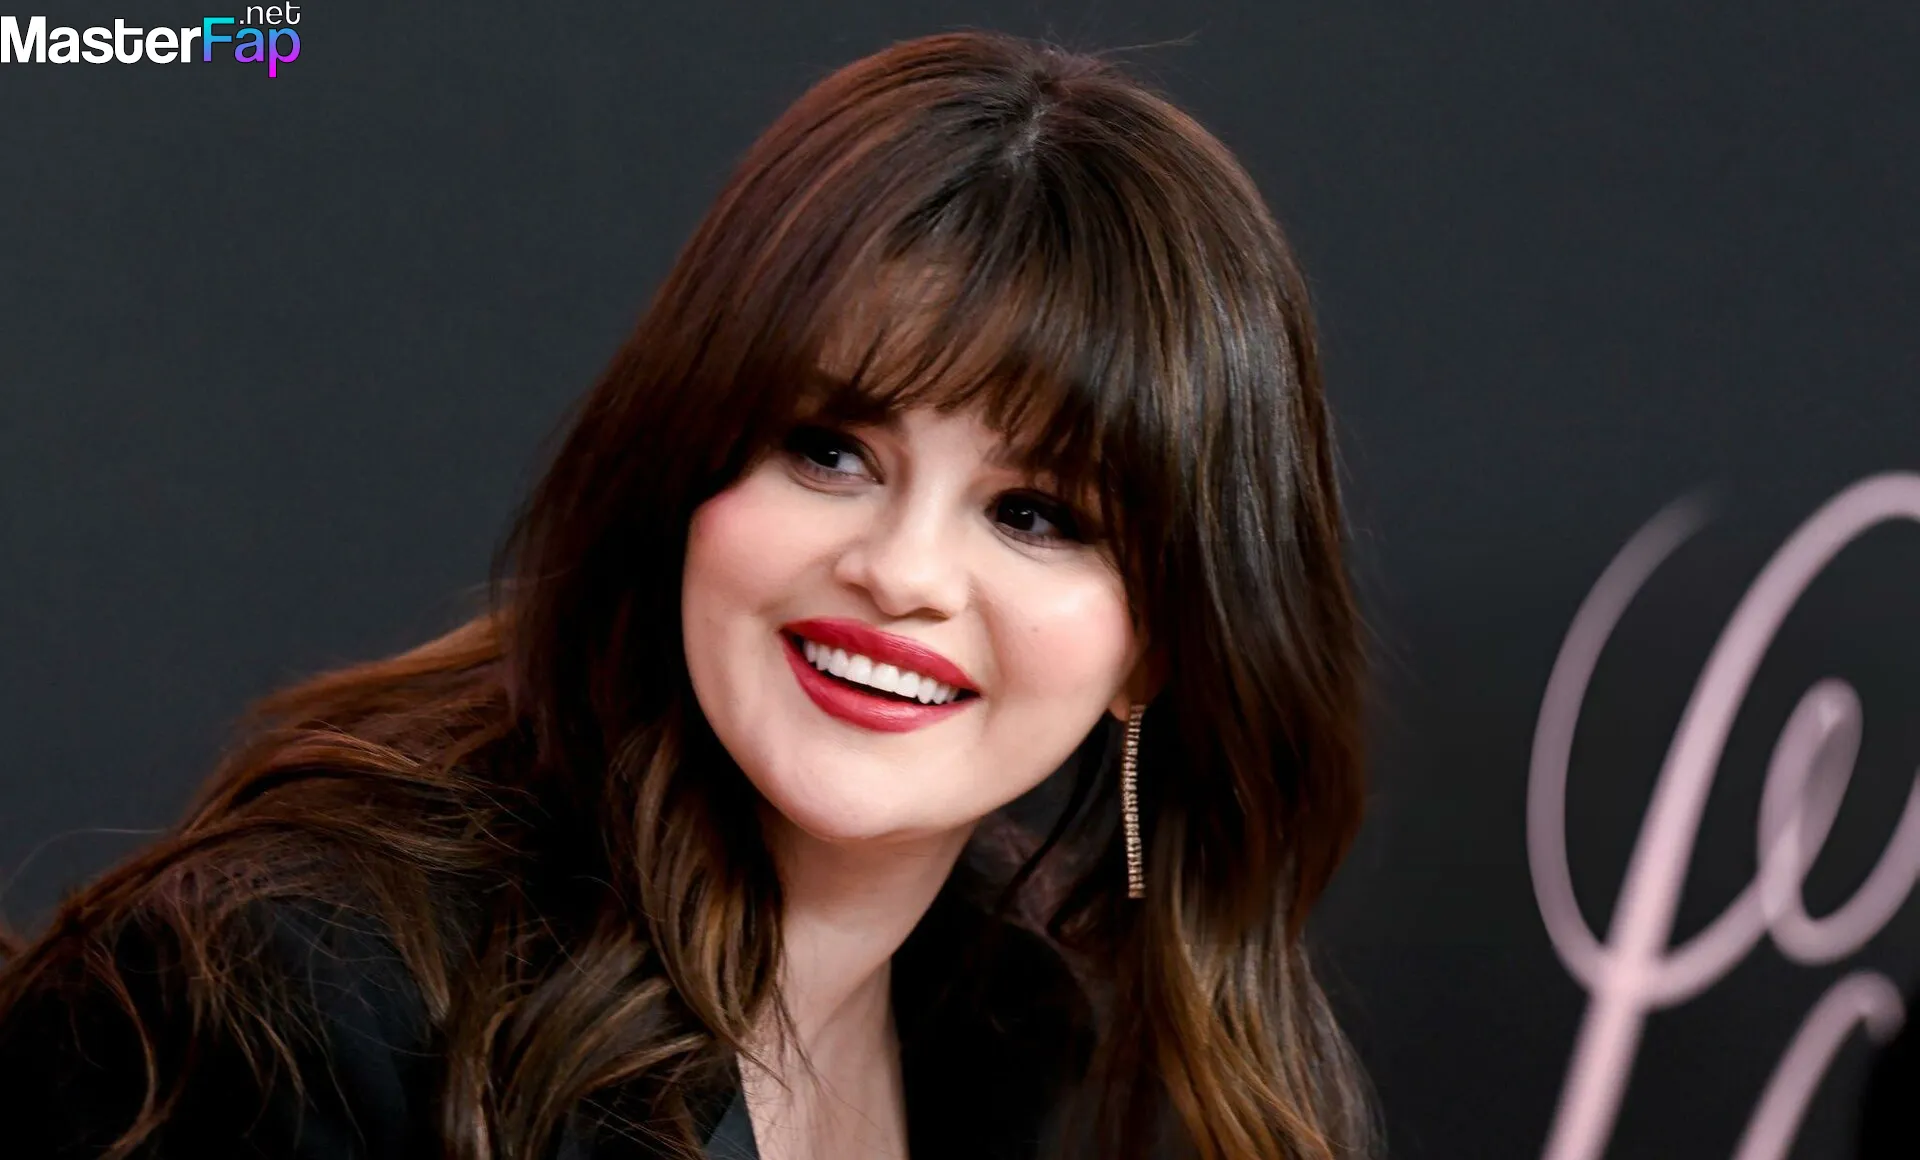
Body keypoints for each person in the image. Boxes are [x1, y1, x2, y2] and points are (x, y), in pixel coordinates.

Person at [0, 28, 1377, 1160]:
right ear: (682, 465)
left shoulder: (1014, 1033)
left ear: (1160, 644)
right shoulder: (304, 999)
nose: (900, 571)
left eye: (1036, 516)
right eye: (828, 449)